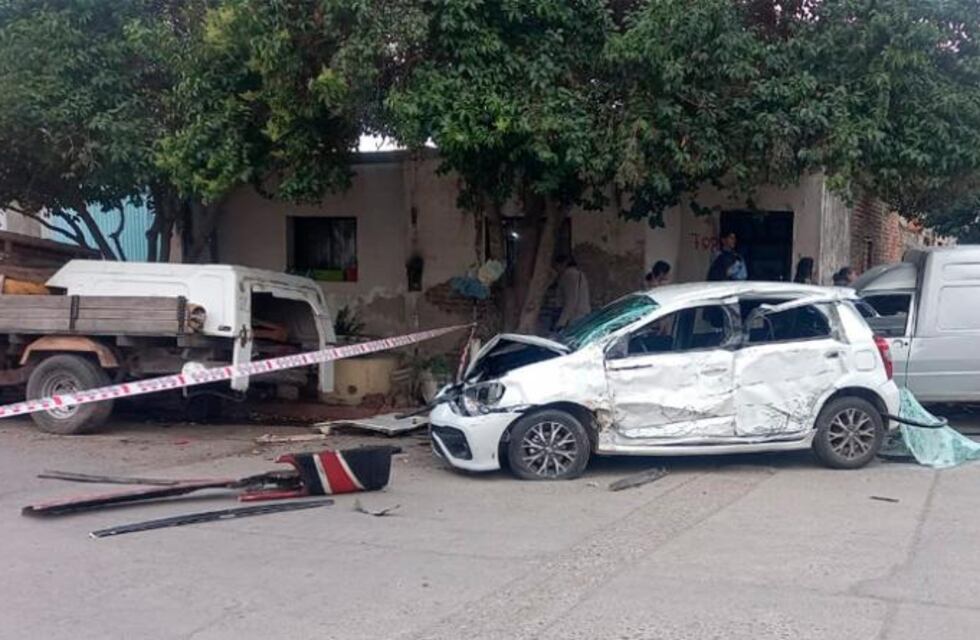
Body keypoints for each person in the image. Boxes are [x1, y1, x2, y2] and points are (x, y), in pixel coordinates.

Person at [554, 255, 591, 330]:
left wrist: (561, 322)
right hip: (582, 314)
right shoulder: (579, 274)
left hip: (573, 317)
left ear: (563, 264)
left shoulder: (569, 275)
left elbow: (571, 300)